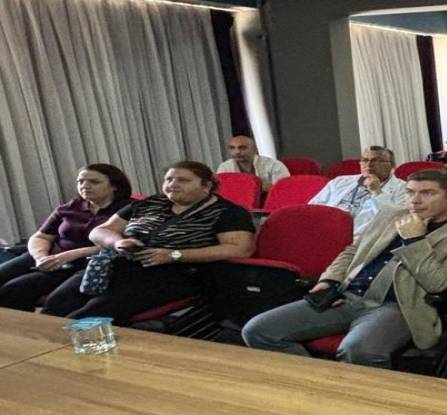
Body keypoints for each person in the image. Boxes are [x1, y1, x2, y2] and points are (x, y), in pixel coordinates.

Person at [242, 169, 447, 366]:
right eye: (410, 192)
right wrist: (328, 280)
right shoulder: (391, 213)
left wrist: (415, 240)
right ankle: (316, 383)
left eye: (427, 193)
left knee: (358, 350)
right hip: (346, 295)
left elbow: (437, 283)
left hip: (397, 307)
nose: (414, 200)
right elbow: (352, 251)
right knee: (259, 331)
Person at [42, 161, 255, 325]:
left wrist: (174, 255)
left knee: (88, 315)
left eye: (183, 180)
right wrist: (119, 243)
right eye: (169, 179)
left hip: (173, 274)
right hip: (114, 265)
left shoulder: (228, 212)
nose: (173, 185)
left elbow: (240, 249)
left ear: (206, 186)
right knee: (57, 304)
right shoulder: (149, 203)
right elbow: (100, 231)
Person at [0, 164, 133, 311]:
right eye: (80, 181)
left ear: (114, 186)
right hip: (47, 254)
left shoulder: (128, 210)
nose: (85, 186)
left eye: (94, 182)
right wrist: (40, 256)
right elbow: (41, 237)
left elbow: (121, 245)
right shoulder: (70, 207)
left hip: (81, 263)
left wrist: (70, 255)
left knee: (14, 289)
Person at [309, 146, 408, 236]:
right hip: (327, 231)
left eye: (376, 161)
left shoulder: (403, 188)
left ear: (392, 165)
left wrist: (377, 192)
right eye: (364, 160)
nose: (369, 164)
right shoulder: (339, 181)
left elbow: (395, 217)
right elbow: (313, 208)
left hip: (361, 237)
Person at [216, 135, 290, 192]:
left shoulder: (275, 165)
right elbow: (220, 190)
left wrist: (239, 187)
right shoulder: (224, 167)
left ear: (255, 149)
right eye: (232, 148)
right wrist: (260, 187)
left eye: (242, 148)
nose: (237, 152)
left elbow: (283, 190)